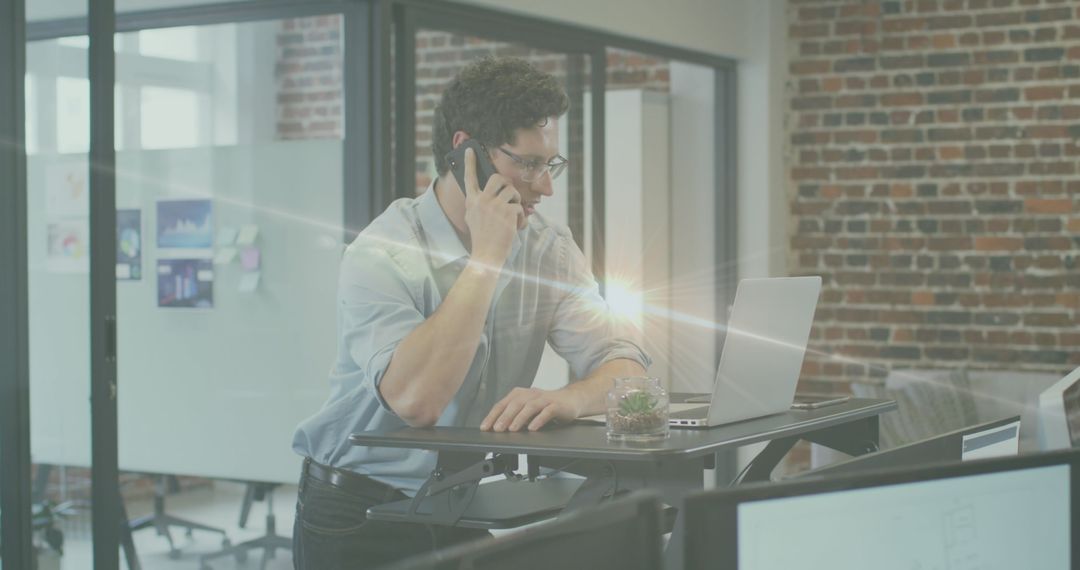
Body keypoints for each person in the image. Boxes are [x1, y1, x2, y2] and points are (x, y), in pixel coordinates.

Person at [291, 56, 651, 569]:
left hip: (463, 500)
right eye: (526, 164)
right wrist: (486, 259)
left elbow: (626, 364)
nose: (545, 187)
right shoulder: (382, 252)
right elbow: (417, 402)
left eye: (549, 164)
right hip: (359, 509)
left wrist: (571, 398)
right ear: (467, 155)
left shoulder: (549, 247)